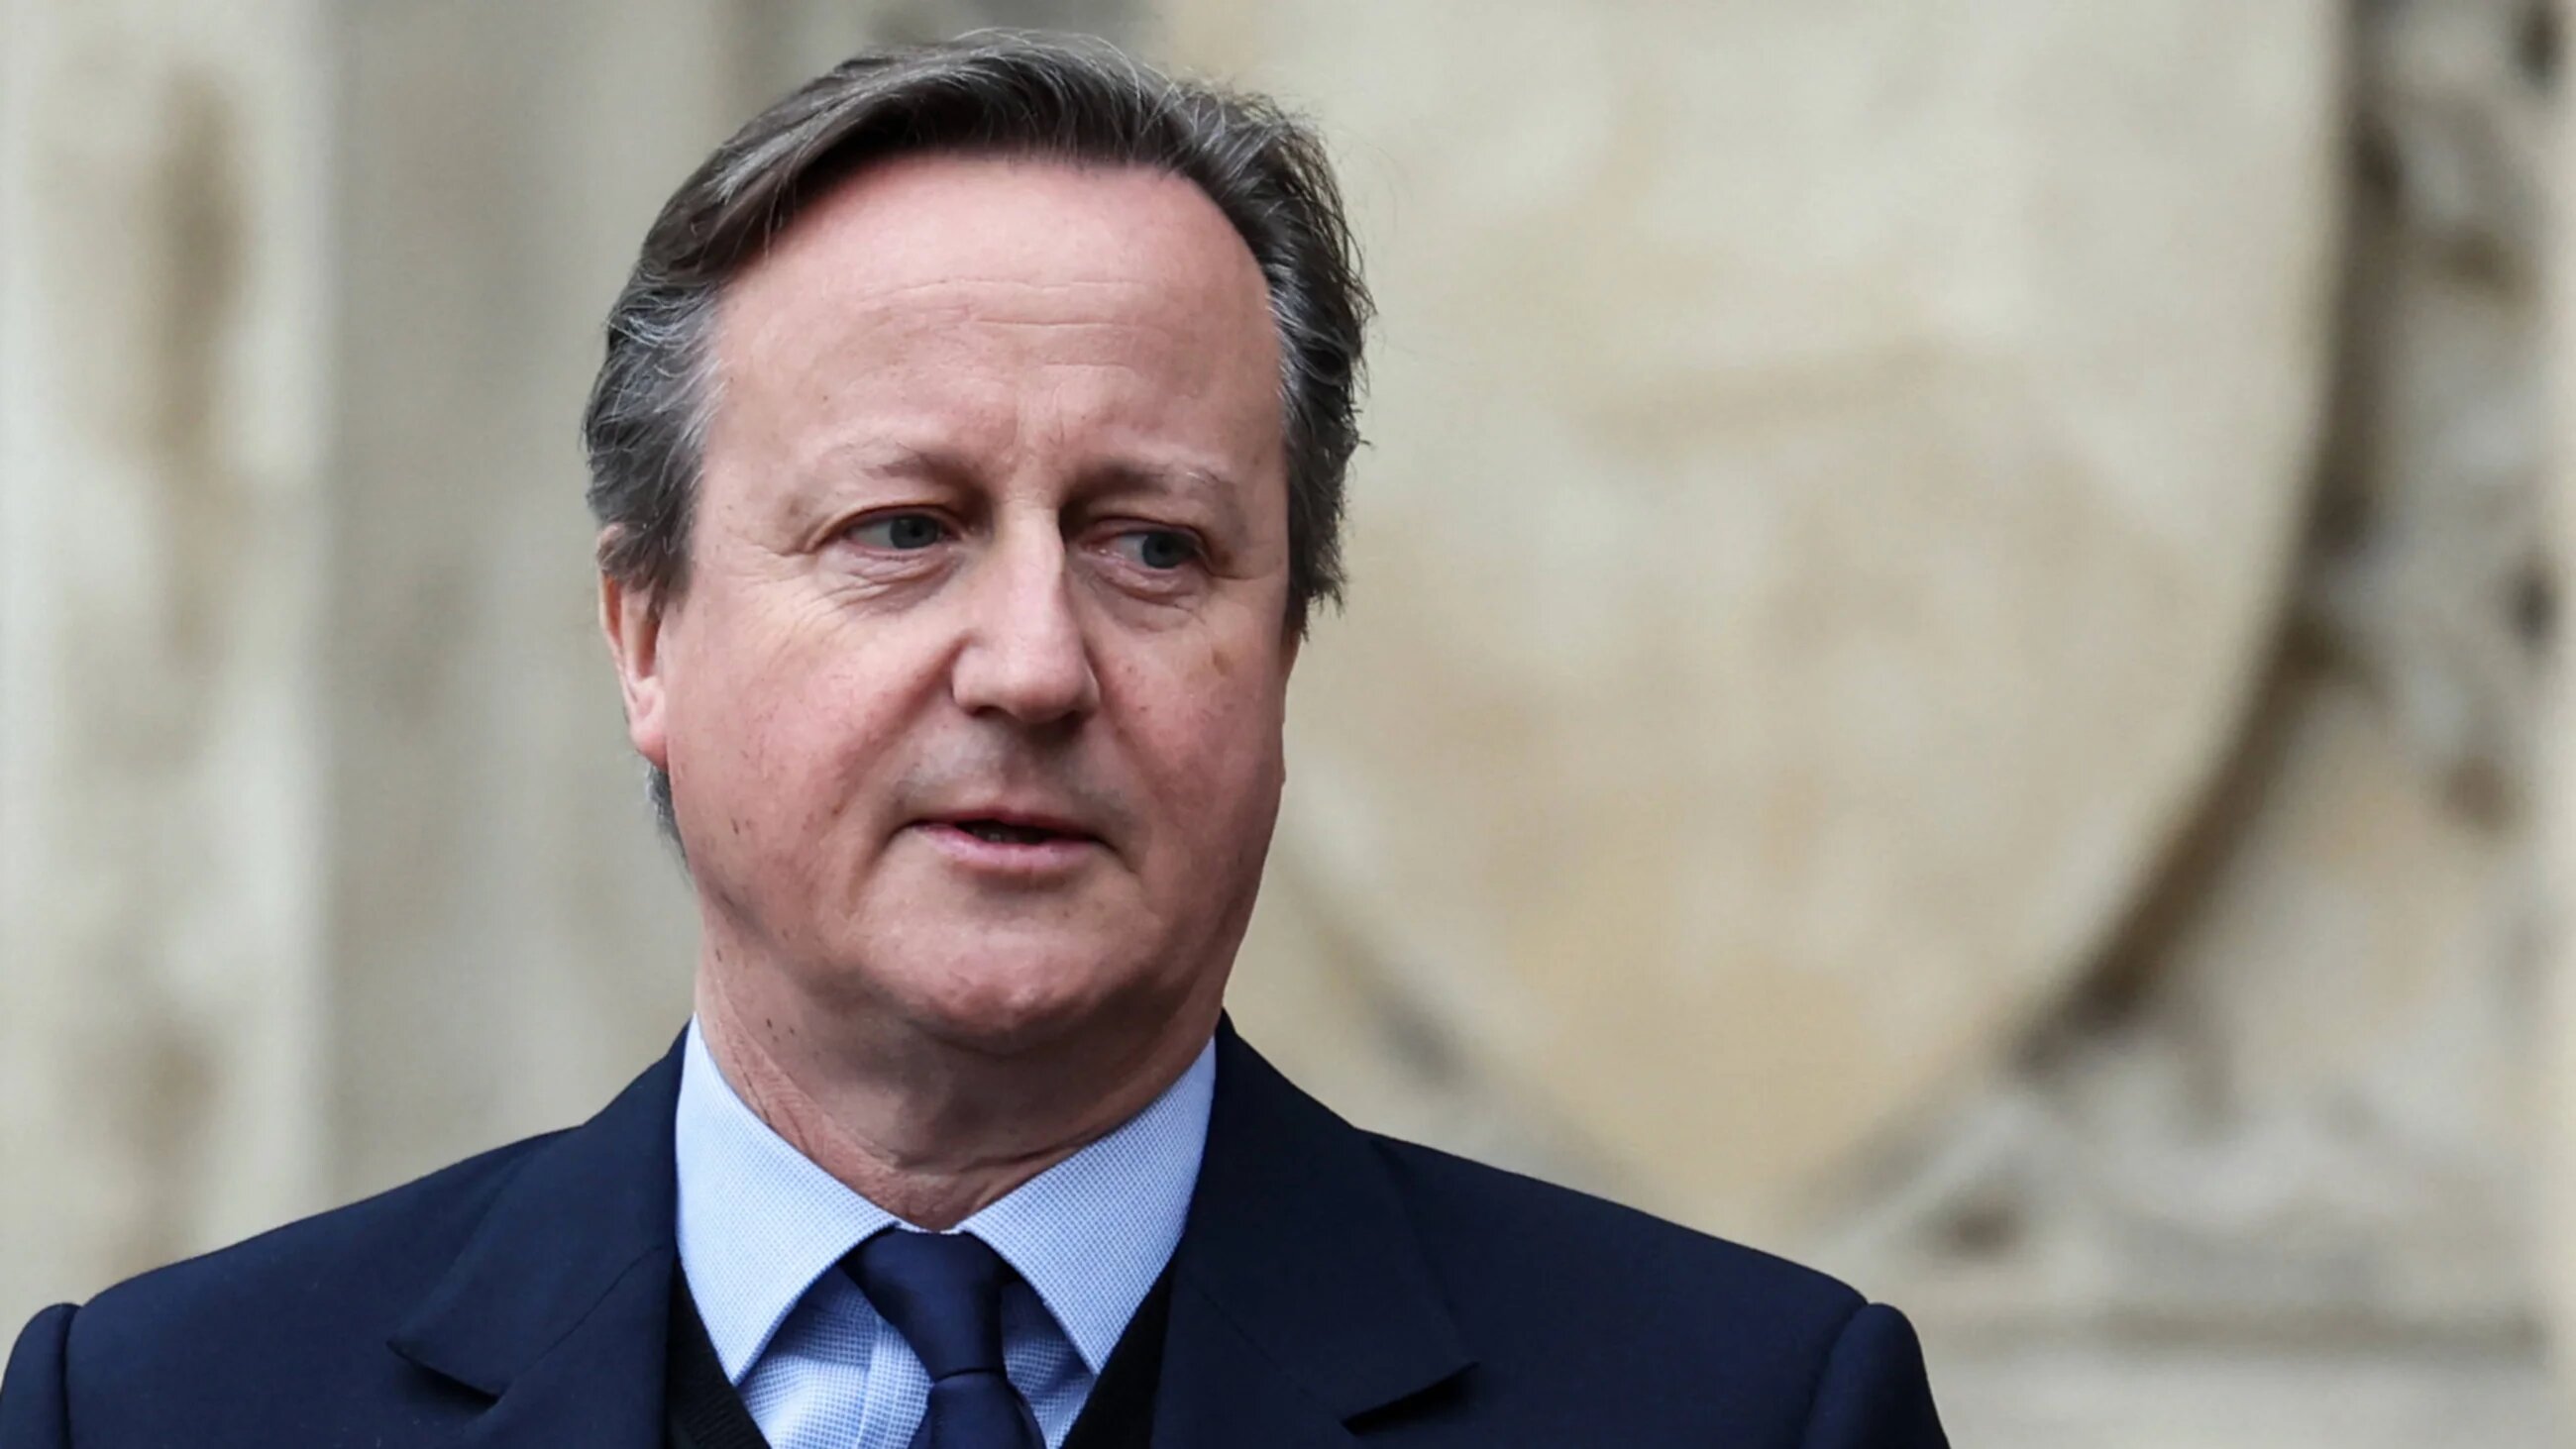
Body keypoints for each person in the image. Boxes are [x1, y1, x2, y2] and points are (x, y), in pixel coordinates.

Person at [0, 32, 1946, 1449]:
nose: (1031, 665)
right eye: (901, 529)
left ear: (1284, 647)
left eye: (1151, 546)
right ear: (645, 634)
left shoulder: (1737, 1411)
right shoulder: (168, 1412)